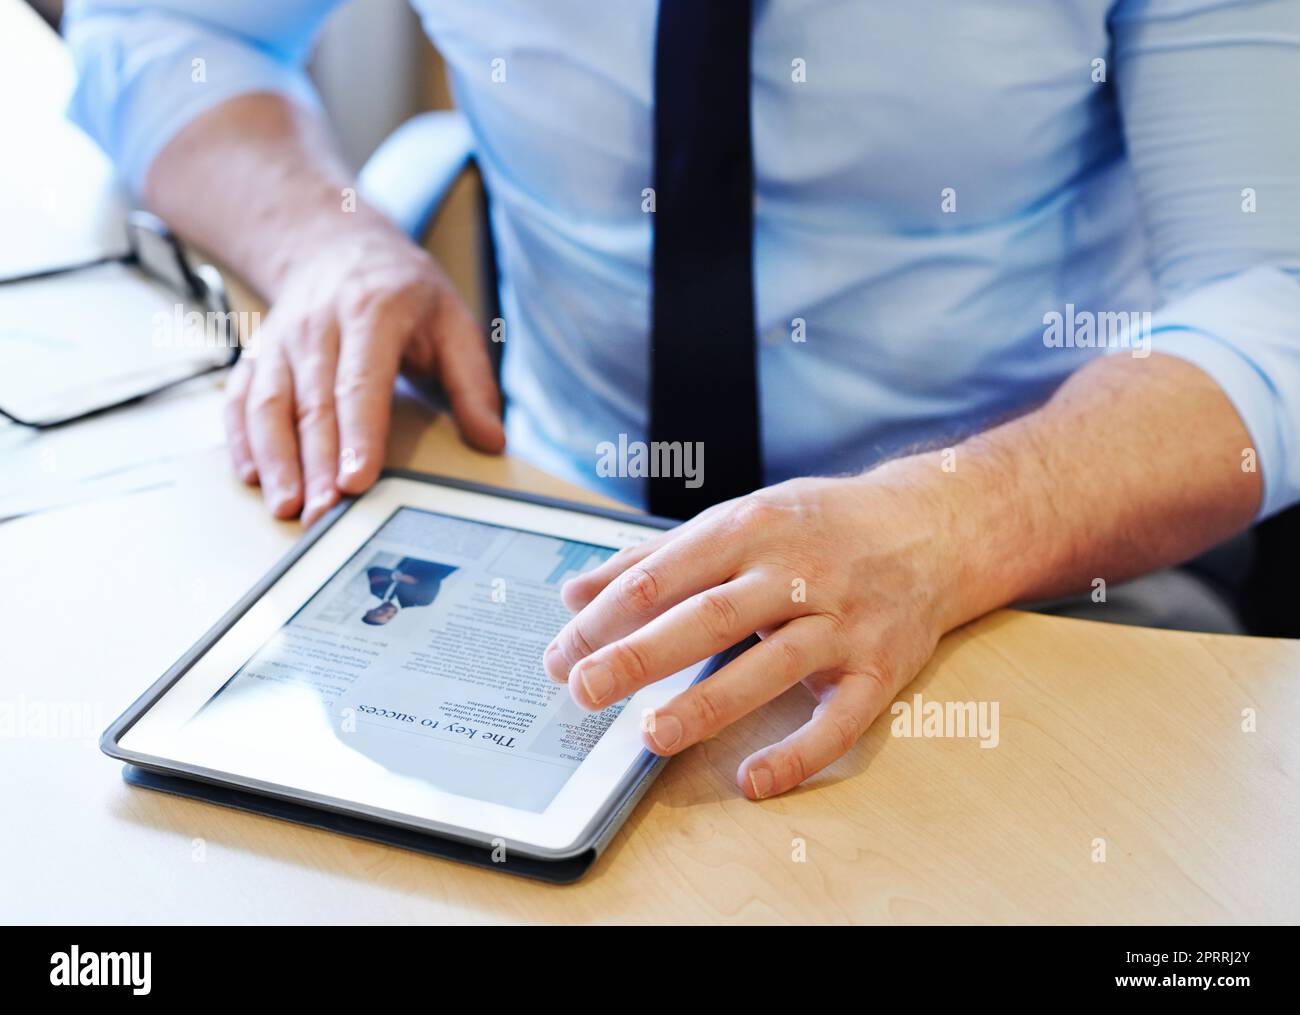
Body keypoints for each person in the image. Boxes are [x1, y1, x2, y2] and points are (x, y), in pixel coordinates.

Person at [65, 1, 1300, 800]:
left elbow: (1273, 292)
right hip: (552, 533)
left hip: (1018, 591)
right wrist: (323, 240)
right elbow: (166, 26)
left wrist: (953, 525)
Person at [361, 557, 456, 625]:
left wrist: (397, 577)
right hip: (444, 562)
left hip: (414, 555)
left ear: (370, 610)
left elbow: (374, 570)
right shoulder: (422, 601)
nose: (386, 612)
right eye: (389, 617)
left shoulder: (376, 590)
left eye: (378, 613)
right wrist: (397, 577)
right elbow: (433, 579)